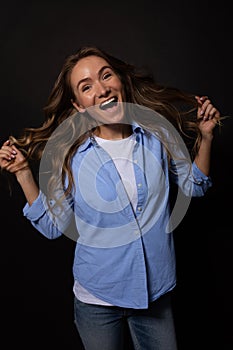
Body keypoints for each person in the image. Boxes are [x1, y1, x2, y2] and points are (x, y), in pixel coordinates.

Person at [0, 46, 222, 350]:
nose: (102, 89)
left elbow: (195, 186)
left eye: (106, 76)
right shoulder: (72, 158)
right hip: (97, 300)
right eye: (86, 86)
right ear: (78, 106)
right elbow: (54, 226)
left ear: (120, 81)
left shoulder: (158, 134)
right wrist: (24, 172)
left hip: (154, 295)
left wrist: (206, 137)